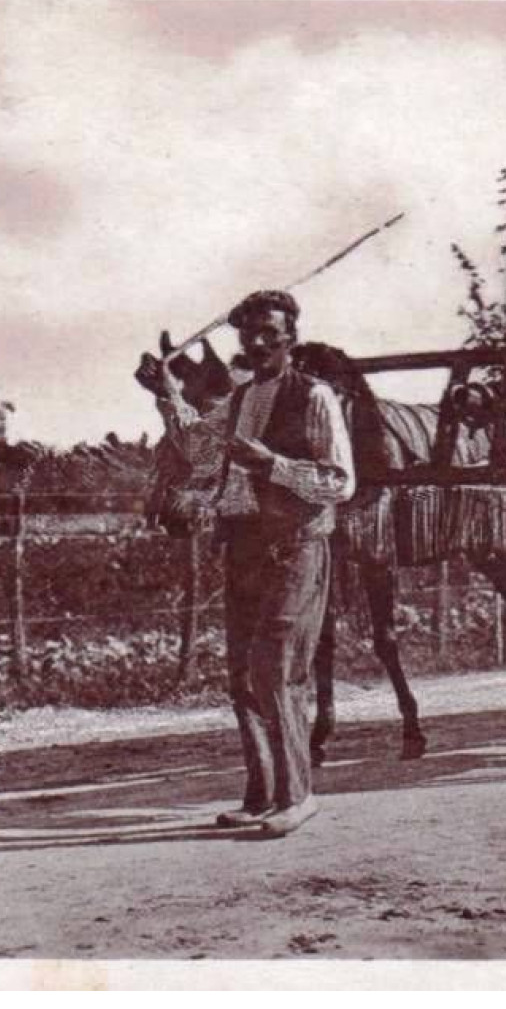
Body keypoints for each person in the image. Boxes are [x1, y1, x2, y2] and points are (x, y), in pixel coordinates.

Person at [150, 289, 355, 838]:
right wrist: (166, 391)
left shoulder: (315, 398)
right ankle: (263, 794)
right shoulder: (240, 401)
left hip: (296, 547)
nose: (260, 342)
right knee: (243, 678)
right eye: (250, 333)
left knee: (277, 671)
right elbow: (197, 450)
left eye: (271, 332)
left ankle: (299, 796)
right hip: (242, 548)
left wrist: (272, 465)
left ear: (292, 336)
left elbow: (339, 482)